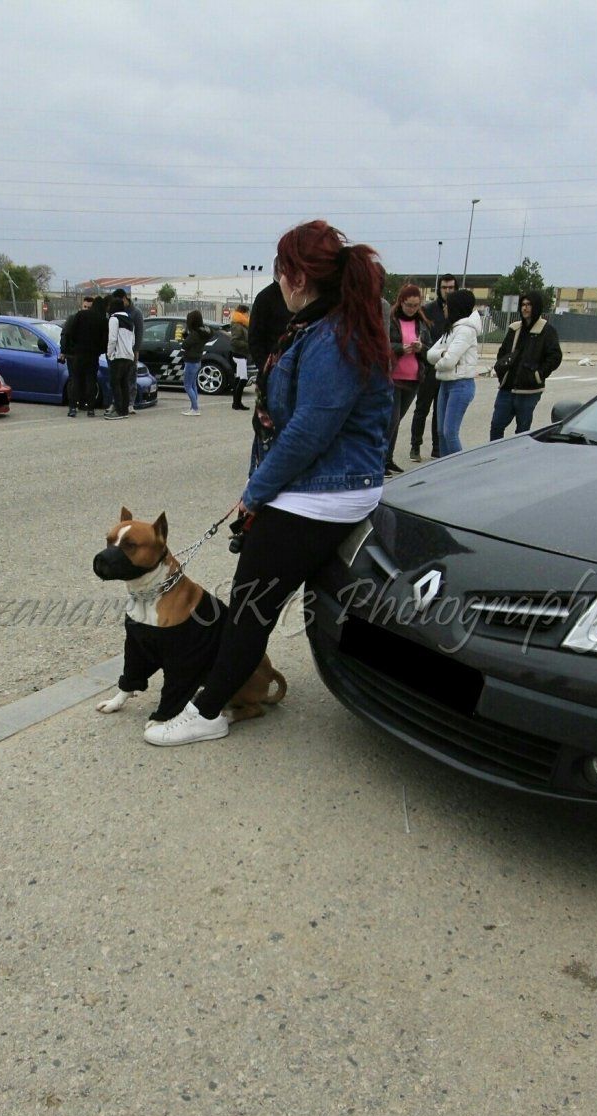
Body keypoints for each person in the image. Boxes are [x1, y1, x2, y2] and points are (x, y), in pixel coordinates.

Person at [143, 220, 393, 747]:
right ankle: (226, 693)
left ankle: (208, 711)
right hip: (317, 486)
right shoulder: (325, 325)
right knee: (271, 599)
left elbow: (309, 431)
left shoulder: (331, 335)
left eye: (281, 269)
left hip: (323, 491)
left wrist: (256, 492)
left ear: (297, 276)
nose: (277, 280)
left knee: (251, 605)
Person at [488, 290, 562, 440]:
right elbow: (502, 353)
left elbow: (555, 357)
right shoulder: (514, 328)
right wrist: (502, 370)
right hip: (507, 388)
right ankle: (495, 458)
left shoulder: (546, 331)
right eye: (523, 304)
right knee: (496, 426)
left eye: (529, 305)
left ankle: (517, 459)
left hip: (529, 391)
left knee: (522, 430)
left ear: (536, 307)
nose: (525, 308)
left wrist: (538, 374)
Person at [408, 272, 458, 460]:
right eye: (444, 287)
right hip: (429, 366)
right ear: (439, 289)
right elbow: (420, 334)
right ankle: (415, 446)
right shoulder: (428, 310)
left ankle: (437, 448)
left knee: (441, 411)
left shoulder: (457, 312)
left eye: (451, 287)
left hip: (447, 367)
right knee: (422, 408)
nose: (447, 291)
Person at [425, 287, 480, 457]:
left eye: (447, 305)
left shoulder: (466, 330)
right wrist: (442, 354)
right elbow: (430, 354)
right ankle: (444, 469)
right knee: (441, 432)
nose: (444, 308)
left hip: (460, 384)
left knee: (450, 433)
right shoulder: (451, 329)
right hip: (446, 383)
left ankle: (460, 470)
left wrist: (440, 360)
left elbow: (449, 362)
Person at [384, 282, 432, 472]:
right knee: (391, 420)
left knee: (397, 421)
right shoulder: (391, 319)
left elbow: (430, 349)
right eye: (408, 305)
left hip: (413, 378)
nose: (412, 309)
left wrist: (421, 348)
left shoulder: (421, 323)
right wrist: (399, 348)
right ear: (401, 302)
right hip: (393, 377)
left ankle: (388, 458)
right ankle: (380, 460)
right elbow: (383, 344)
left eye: (415, 305)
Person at [59, 293, 106, 417]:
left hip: (78, 354)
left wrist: (75, 346)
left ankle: (73, 408)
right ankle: (90, 409)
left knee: (75, 380)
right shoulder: (101, 318)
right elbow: (104, 339)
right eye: (85, 306)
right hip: (92, 355)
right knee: (90, 381)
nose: (87, 309)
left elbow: (70, 333)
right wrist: (98, 350)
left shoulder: (78, 316)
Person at [104, 288, 138, 419]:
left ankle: (118, 411)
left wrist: (109, 353)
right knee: (124, 383)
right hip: (129, 356)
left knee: (115, 383)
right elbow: (133, 340)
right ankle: (124, 410)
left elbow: (112, 339)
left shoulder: (114, 319)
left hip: (118, 356)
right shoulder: (129, 320)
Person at [179, 308, 211, 416]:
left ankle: (195, 408)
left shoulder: (194, 334)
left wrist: (184, 336)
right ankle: (193, 407)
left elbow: (185, 345)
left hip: (191, 361)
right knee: (193, 385)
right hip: (197, 360)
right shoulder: (202, 333)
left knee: (187, 385)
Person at [228, 307, 251, 410]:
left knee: (239, 378)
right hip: (239, 355)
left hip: (242, 354)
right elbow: (234, 341)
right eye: (247, 313)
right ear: (243, 313)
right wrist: (248, 345)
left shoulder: (242, 324)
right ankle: (237, 403)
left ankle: (236, 403)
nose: (248, 315)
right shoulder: (237, 325)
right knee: (243, 379)